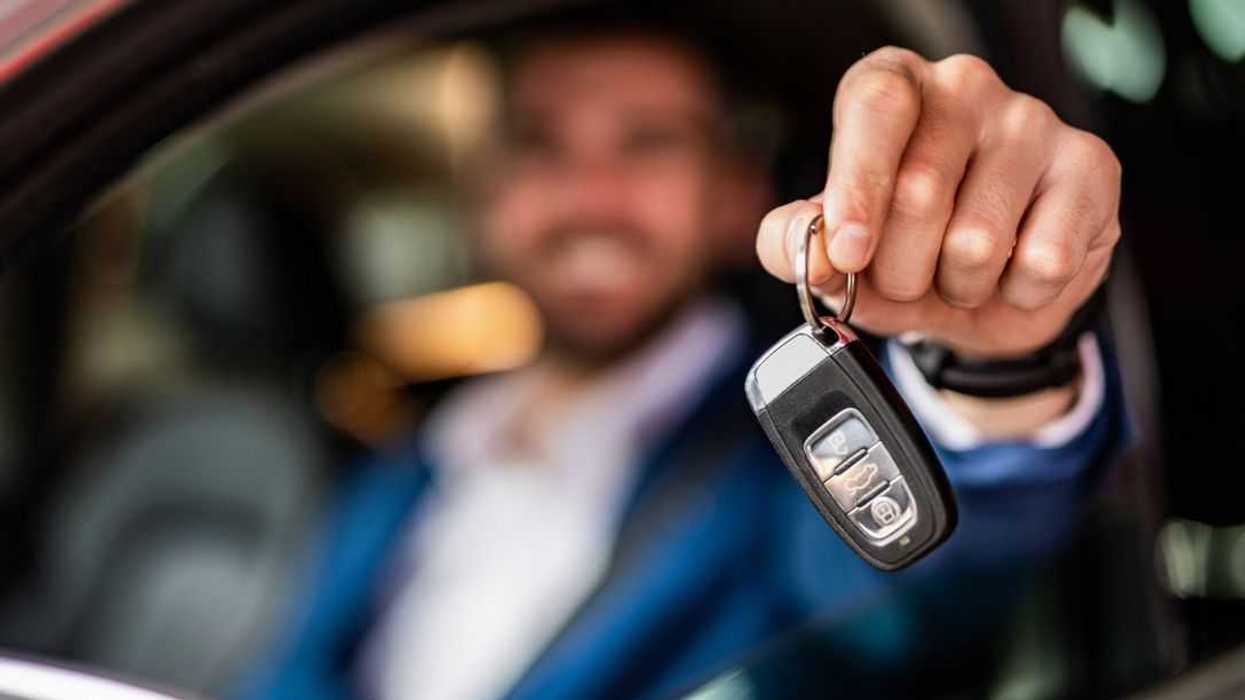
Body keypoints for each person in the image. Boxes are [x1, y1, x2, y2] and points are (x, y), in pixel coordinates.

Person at [241, 20, 1126, 700]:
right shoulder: (404, 450)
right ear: (485, 187)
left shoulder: (778, 468)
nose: (589, 197)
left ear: (733, 189)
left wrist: (992, 360)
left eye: (647, 142)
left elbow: (915, 589)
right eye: (540, 142)